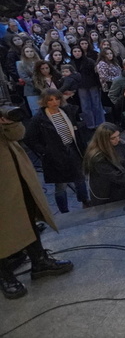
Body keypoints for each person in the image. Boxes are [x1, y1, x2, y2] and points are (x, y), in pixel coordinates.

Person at [0, 115, 75, 299]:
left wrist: (9, 122)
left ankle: (39, 261)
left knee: (28, 212)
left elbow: (19, 134)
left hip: (15, 170)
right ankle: (5, 276)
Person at [24, 89, 90, 213]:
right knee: (61, 185)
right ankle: (64, 210)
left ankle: (85, 201)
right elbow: (29, 138)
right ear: (45, 102)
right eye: (50, 100)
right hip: (54, 154)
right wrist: (45, 151)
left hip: (72, 148)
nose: (55, 102)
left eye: (57, 99)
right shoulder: (39, 118)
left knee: (80, 177)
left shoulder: (67, 111)